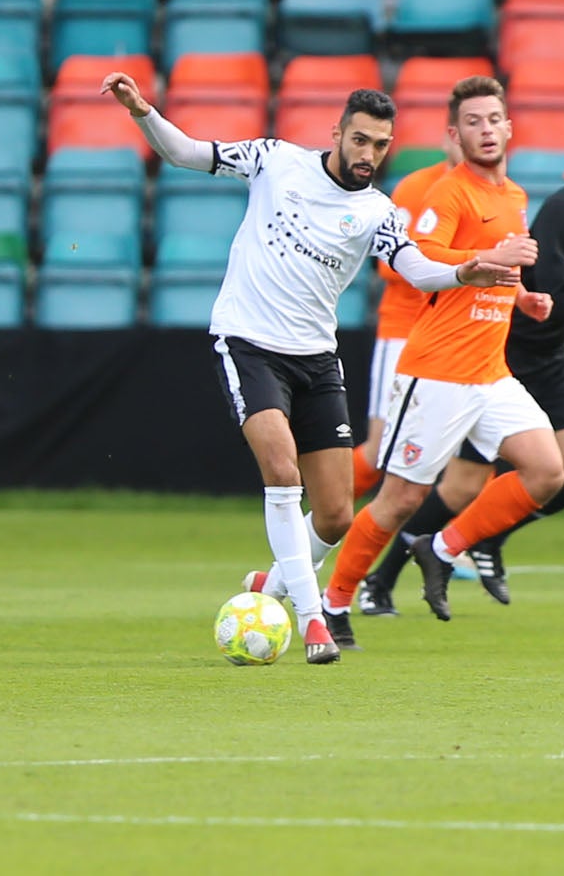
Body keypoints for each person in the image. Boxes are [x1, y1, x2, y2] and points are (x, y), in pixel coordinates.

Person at [100, 74, 529, 665]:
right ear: (338, 134)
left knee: (334, 513)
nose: (368, 155)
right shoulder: (275, 161)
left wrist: (468, 271)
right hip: (249, 342)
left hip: (316, 359)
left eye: (381, 146)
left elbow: (419, 269)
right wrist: (142, 110)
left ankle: (270, 589)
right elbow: (185, 152)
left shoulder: (378, 211)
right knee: (281, 471)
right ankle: (311, 622)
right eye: (360, 141)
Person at [357, 108, 564, 613]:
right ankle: (380, 581)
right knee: (460, 485)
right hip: (507, 354)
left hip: (551, 361)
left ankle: (482, 539)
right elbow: (551, 297)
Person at [320, 77, 559, 638]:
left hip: (490, 370)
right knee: (401, 495)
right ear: (455, 134)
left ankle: (443, 547)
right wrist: (490, 256)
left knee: (547, 472)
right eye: (472, 122)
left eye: (493, 119)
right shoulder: (448, 193)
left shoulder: (515, 196)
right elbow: (421, 258)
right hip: (438, 369)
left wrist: (524, 296)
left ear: (508, 127)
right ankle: (334, 601)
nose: (485, 130)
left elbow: (500, 273)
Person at [354, 132, 461, 499]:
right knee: (380, 450)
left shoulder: (495, 196)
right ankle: (323, 514)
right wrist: (460, 267)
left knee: (468, 456)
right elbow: (388, 265)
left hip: (460, 334)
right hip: (404, 328)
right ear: (449, 139)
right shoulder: (416, 188)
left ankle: (448, 545)